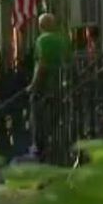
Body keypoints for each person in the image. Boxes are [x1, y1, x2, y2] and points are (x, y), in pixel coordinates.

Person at [26, 13, 71, 158]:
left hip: (45, 86)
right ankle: (58, 144)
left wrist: (33, 85)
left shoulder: (42, 40)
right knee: (57, 118)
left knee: (37, 116)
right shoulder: (64, 40)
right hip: (60, 85)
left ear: (41, 26)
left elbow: (42, 65)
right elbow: (68, 61)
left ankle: (40, 146)